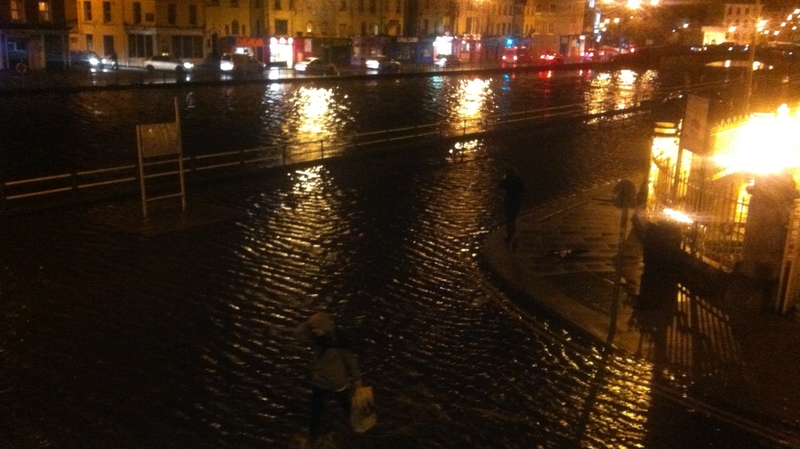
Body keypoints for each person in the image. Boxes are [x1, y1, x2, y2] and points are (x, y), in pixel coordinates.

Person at [295, 312, 361, 446]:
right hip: (319, 381)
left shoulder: (339, 343)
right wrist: (308, 323)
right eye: (313, 329)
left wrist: (357, 379)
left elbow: (351, 362)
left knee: (345, 405)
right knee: (316, 410)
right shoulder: (316, 338)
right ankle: (313, 436)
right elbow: (297, 334)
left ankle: (357, 423)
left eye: (316, 329)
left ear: (324, 327)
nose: (314, 331)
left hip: (337, 382)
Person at [498, 168, 526, 246]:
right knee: (513, 219)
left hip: (508, 201)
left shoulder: (506, 180)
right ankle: (512, 234)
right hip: (516, 201)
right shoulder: (518, 180)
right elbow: (523, 189)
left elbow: (499, 187)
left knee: (508, 218)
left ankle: (509, 235)